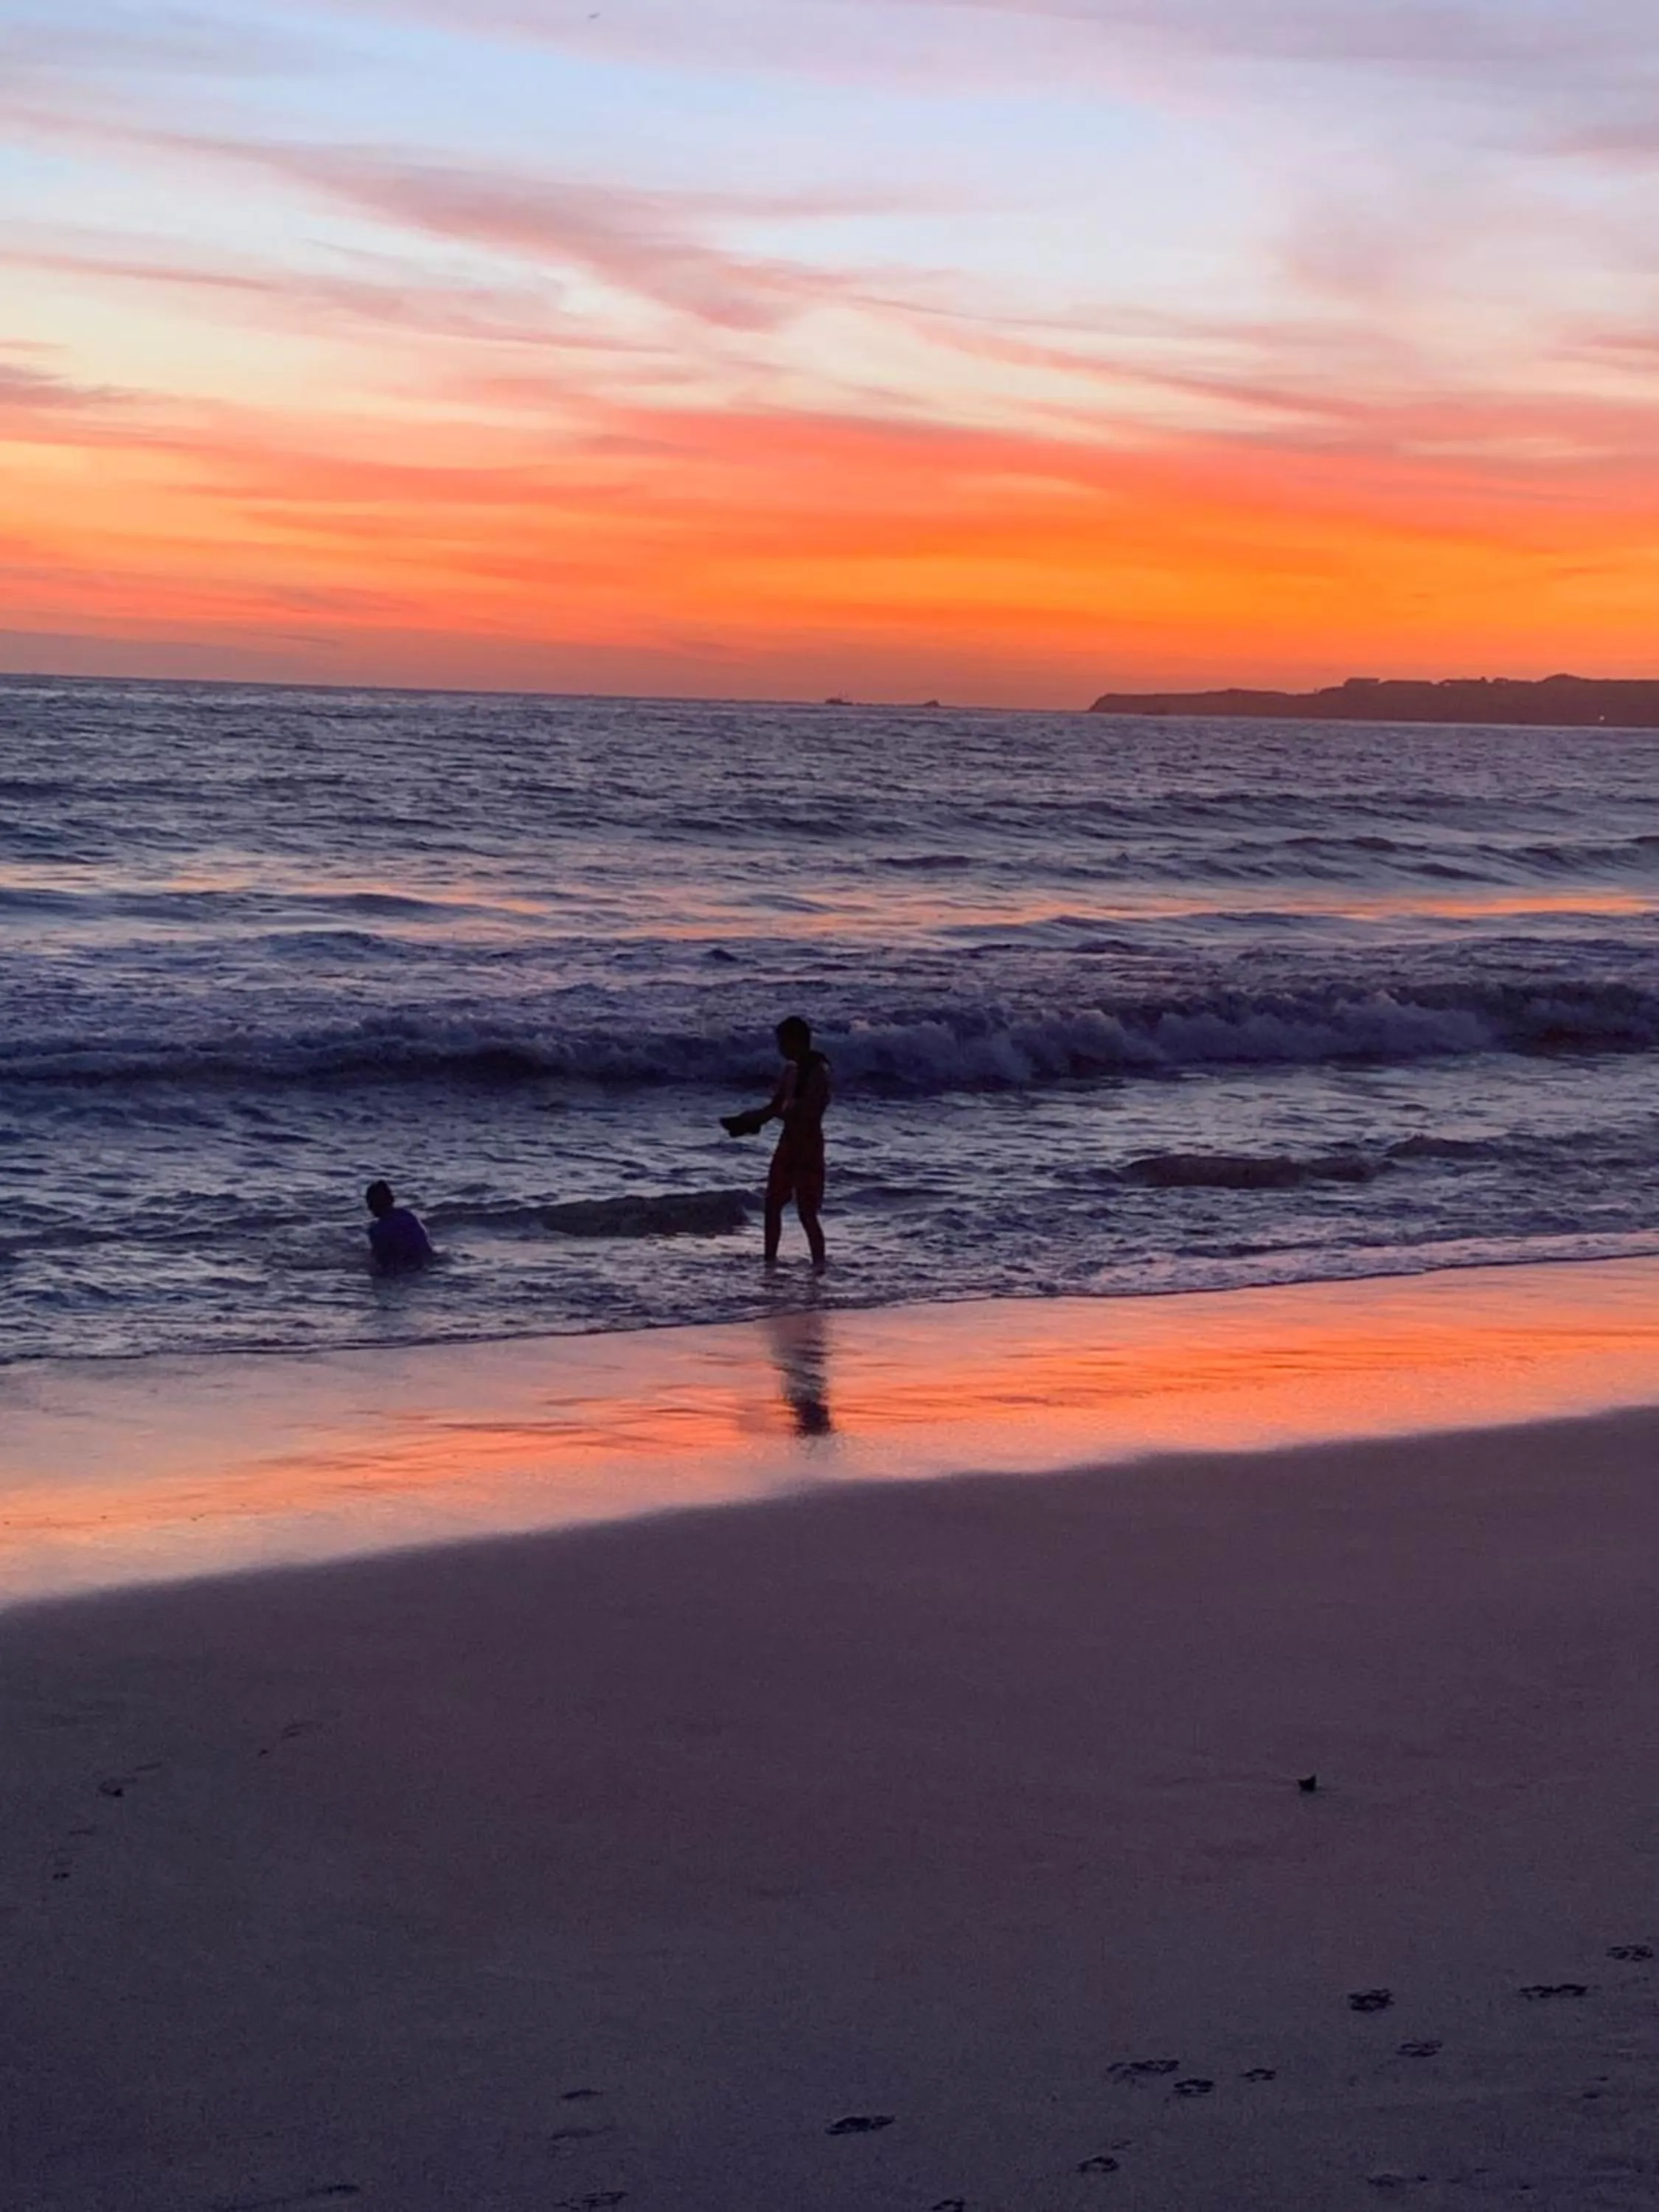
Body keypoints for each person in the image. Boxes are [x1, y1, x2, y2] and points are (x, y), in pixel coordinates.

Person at [722, 1015, 831, 1270]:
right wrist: (749, 1120)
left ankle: (819, 1265)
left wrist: (773, 1114)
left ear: (796, 1041)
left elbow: (809, 1110)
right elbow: (775, 1106)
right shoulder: (790, 1071)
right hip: (788, 1141)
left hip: (809, 1144)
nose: (780, 1048)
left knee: (807, 1211)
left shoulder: (819, 1071)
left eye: (783, 1043)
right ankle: (769, 1260)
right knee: (772, 1204)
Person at [364, 1180, 434, 1273]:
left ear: (372, 1205)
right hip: (427, 1260)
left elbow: (380, 1260)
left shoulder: (377, 1230)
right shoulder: (408, 1216)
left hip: (404, 1269)